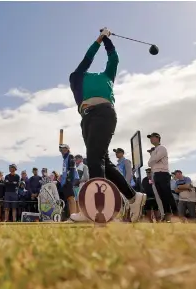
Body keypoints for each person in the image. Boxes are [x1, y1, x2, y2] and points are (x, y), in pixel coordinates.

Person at [68, 27, 146, 222]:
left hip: (104, 113)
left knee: (94, 158)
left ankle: (96, 209)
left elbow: (113, 60)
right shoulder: (76, 77)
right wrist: (98, 40)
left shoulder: (107, 77)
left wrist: (107, 40)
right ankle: (133, 197)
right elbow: (87, 59)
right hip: (86, 118)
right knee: (103, 161)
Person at [147, 133, 178, 222]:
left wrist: (153, 158)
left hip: (163, 173)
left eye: (152, 137)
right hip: (156, 174)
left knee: (167, 195)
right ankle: (167, 215)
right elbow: (149, 163)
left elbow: (155, 159)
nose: (151, 139)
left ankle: (175, 214)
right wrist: (153, 157)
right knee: (162, 196)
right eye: (150, 138)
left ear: (158, 138)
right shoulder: (154, 150)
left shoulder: (162, 148)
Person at [59, 144, 78, 219]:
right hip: (65, 181)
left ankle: (74, 216)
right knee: (69, 199)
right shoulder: (65, 158)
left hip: (69, 180)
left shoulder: (70, 156)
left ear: (67, 149)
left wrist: (70, 179)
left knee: (71, 198)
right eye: (61, 149)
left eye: (63, 148)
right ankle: (72, 216)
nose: (61, 150)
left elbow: (72, 168)